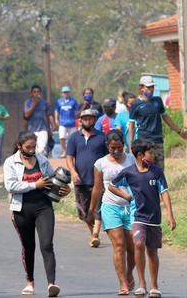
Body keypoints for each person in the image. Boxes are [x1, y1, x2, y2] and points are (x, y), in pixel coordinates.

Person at [3, 130, 70, 297]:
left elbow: (53, 181)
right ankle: (30, 282)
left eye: (34, 147)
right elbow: (10, 186)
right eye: (28, 147)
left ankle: (51, 284)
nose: (32, 150)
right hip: (21, 209)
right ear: (19, 146)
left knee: (47, 245)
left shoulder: (42, 160)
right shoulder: (10, 163)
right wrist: (34, 185)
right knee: (28, 247)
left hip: (43, 208)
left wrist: (64, 190)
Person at [108, 139, 176, 298]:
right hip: (137, 216)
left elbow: (164, 192)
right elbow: (111, 185)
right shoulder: (129, 172)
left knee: (152, 250)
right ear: (140, 155)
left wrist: (170, 215)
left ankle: (154, 285)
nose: (154, 155)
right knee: (138, 244)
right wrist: (125, 195)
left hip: (154, 218)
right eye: (150, 153)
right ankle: (141, 284)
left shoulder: (157, 172)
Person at [86, 129, 136, 295]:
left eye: (119, 147)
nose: (116, 151)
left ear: (124, 145)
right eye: (112, 148)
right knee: (119, 245)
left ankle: (129, 273)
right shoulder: (100, 163)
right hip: (110, 207)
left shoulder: (132, 159)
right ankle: (122, 283)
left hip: (131, 209)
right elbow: (98, 188)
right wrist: (91, 211)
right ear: (107, 145)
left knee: (133, 247)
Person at [66, 109, 108, 247]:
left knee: (97, 208)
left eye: (90, 119)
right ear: (81, 121)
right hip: (80, 180)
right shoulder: (74, 137)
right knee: (84, 211)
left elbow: (108, 157)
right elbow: (69, 157)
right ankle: (93, 234)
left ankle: (95, 234)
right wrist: (73, 172)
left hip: (97, 180)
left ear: (94, 120)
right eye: (85, 119)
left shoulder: (102, 137)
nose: (88, 121)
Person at [128, 75, 187, 170]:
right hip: (143, 141)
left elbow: (166, 118)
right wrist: (131, 144)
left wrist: (179, 131)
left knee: (159, 170)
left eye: (152, 87)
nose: (151, 90)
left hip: (157, 141)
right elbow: (131, 125)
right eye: (148, 87)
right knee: (145, 170)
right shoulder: (136, 105)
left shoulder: (157, 101)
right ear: (142, 88)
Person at [24, 85, 55, 157]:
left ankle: (42, 165)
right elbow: (26, 115)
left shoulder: (45, 103)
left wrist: (49, 128)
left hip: (43, 129)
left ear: (40, 93)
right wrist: (34, 103)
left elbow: (48, 116)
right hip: (32, 130)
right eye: (34, 92)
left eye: (38, 92)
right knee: (33, 149)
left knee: (42, 148)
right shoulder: (28, 102)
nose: (36, 93)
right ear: (31, 93)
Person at [54, 86, 79, 158]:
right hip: (62, 123)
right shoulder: (59, 101)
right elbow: (56, 111)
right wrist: (56, 119)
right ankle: (64, 152)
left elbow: (77, 111)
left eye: (67, 92)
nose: (66, 94)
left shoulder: (73, 101)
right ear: (62, 93)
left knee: (73, 139)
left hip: (72, 123)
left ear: (69, 93)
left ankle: (72, 152)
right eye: (64, 92)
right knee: (62, 137)